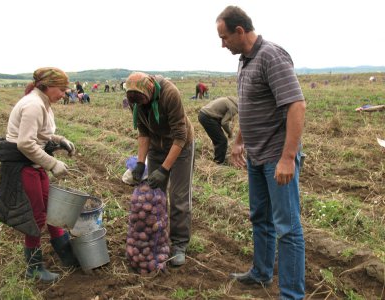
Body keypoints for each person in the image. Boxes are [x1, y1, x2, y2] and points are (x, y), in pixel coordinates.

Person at [217, 6, 306, 300]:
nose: (222, 43)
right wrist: (239, 140)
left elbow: (296, 105)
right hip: (255, 155)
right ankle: (262, 272)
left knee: (287, 227)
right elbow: (248, 105)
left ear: (240, 31)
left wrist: (288, 157)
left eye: (224, 37)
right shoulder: (244, 61)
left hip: (276, 157)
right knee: (259, 216)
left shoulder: (271, 55)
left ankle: (292, 294)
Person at [0, 67, 78, 283]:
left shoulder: (44, 103)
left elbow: (41, 134)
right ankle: (34, 268)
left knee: (51, 211)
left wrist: (59, 139)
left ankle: (66, 254)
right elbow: (25, 143)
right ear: (48, 86)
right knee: (36, 215)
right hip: (24, 166)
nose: (65, 93)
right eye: (62, 88)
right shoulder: (33, 105)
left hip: (34, 164)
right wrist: (52, 162)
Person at [126, 72, 195, 267]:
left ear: (150, 91)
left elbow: (180, 136)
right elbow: (143, 130)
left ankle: (180, 244)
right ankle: (159, 238)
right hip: (156, 146)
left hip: (181, 146)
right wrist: (141, 163)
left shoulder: (169, 93)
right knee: (155, 194)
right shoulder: (135, 99)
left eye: (145, 102)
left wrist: (164, 169)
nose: (143, 106)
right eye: (139, 104)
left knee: (179, 196)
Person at [198, 96, 238, 164]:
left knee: (218, 139)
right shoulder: (233, 107)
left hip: (204, 114)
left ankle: (218, 158)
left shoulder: (230, 100)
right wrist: (230, 133)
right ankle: (218, 163)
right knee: (222, 141)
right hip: (207, 117)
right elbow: (224, 122)